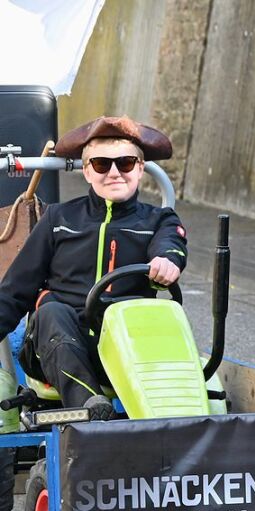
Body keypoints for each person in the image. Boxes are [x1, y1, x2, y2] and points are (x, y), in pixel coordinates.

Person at [0, 115, 186, 419]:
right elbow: (13, 292)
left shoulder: (159, 220)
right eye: (101, 164)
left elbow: (171, 245)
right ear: (87, 171)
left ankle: (182, 426)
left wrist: (167, 261)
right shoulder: (58, 220)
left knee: (165, 320)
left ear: (140, 169)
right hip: (57, 345)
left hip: (129, 349)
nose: (114, 173)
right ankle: (90, 408)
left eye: (125, 163)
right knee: (50, 309)